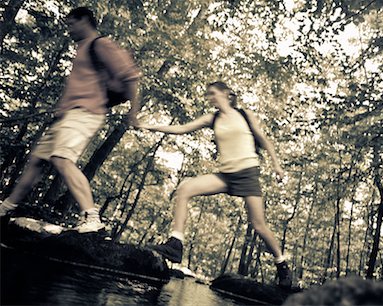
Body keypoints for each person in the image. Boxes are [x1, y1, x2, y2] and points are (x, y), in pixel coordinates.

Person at [135, 81, 292, 288]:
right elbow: (182, 129)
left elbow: (263, 139)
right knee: (184, 189)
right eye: (208, 95)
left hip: (247, 174)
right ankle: (175, 243)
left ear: (226, 93)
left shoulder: (244, 115)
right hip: (226, 175)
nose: (210, 98)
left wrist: (277, 165)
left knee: (259, 225)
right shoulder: (213, 118)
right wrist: (149, 125)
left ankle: (282, 265)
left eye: (213, 94)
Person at [0, 7, 141, 233]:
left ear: (85, 20)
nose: (69, 29)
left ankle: (92, 217)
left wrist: (132, 113)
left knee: (62, 159)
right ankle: (6, 208)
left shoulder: (100, 44)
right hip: (66, 116)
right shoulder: (82, 49)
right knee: (36, 161)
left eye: (71, 24)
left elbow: (131, 76)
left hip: (86, 112)